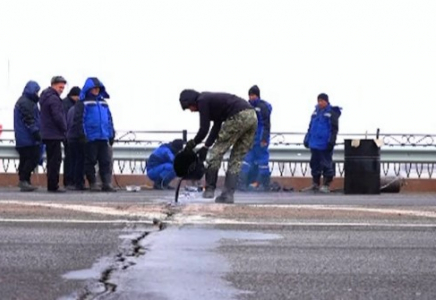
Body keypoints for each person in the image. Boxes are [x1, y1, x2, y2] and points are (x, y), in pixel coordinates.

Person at [180, 89, 257, 204]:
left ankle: (210, 190)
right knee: (236, 159)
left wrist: (192, 144)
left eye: (189, 107)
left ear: (191, 101)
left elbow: (204, 129)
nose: (191, 111)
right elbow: (216, 127)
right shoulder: (212, 102)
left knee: (215, 154)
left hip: (238, 116)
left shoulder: (202, 100)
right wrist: (206, 146)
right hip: (252, 116)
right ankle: (228, 195)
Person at [74, 77, 116, 192]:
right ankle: (93, 183)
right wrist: (82, 135)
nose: (96, 90)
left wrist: (111, 134)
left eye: (98, 88)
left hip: (103, 136)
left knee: (105, 161)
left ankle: (106, 183)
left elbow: (109, 119)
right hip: (90, 137)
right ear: (89, 89)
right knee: (90, 161)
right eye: (94, 88)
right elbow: (78, 120)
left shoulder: (104, 103)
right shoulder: (83, 103)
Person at [304, 93, 342, 193]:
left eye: (322, 101)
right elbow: (310, 127)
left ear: (326, 101)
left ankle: (326, 184)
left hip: (325, 143)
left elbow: (334, 129)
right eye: (319, 101)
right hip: (314, 143)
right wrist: (307, 139)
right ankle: (315, 184)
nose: (320, 103)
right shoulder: (315, 112)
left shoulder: (331, 112)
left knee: (326, 164)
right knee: (314, 164)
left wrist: (331, 141)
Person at [239, 85, 272, 191]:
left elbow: (267, 124)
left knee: (263, 161)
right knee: (246, 160)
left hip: (260, 138)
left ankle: (264, 184)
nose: (251, 97)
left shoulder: (263, 106)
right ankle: (243, 183)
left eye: (253, 95)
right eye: (250, 95)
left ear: (257, 95)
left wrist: (264, 139)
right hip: (250, 139)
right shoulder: (247, 106)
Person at [39, 76, 68, 192]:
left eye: (63, 88)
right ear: (54, 85)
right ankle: (53, 185)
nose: (62, 90)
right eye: (60, 87)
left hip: (47, 133)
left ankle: (52, 184)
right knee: (55, 160)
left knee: (51, 160)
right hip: (54, 134)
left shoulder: (45, 97)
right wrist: (64, 128)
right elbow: (58, 116)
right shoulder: (54, 99)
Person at [13, 81, 42, 192]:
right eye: (36, 91)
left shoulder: (24, 101)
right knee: (32, 158)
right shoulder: (27, 102)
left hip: (22, 137)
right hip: (27, 137)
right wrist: (36, 133)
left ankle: (25, 180)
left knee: (25, 159)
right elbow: (29, 120)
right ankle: (24, 180)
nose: (37, 94)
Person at [62, 86, 81, 189]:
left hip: (69, 135)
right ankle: (69, 180)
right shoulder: (67, 105)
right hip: (69, 135)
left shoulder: (67, 103)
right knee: (70, 159)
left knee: (71, 158)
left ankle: (71, 180)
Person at [66, 100, 85, 190]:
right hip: (78, 137)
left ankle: (71, 181)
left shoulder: (71, 109)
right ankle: (78, 183)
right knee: (79, 160)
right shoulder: (81, 109)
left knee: (72, 160)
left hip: (70, 137)